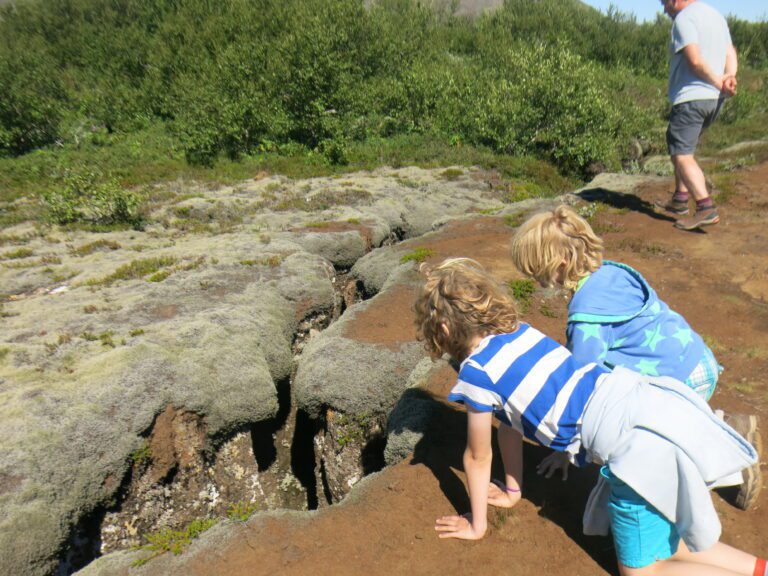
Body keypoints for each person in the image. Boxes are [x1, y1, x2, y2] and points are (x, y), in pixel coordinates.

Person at [414, 258, 765, 576]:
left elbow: (478, 456)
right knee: (676, 545)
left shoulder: (476, 374)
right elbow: (509, 425)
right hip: (642, 402)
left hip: (635, 451)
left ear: (443, 332)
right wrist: (513, 489)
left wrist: (477, 525)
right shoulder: (519, 332)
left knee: (646, 572)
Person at [509, 204, 762, 510]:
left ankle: (728, 456)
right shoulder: (612, 272)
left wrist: (567, 449)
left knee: (657, 444)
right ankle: (721, 427)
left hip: (679, 381)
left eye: (535, 270)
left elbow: (583, 384)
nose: (536, 279)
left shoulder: (587, 318)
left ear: (558, 263)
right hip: (696, 359)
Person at [655, 0, 738, 230]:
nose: (664, 9)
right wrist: (729, 77)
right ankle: (680, 199)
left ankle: (705, 207)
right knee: (680, 146)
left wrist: (717, 82)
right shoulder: (715, 16)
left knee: (682, 154)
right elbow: (730, 52)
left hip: (692, 97)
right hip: (713, 100)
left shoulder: (684, 19)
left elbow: (695, 60)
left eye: (664, 3)